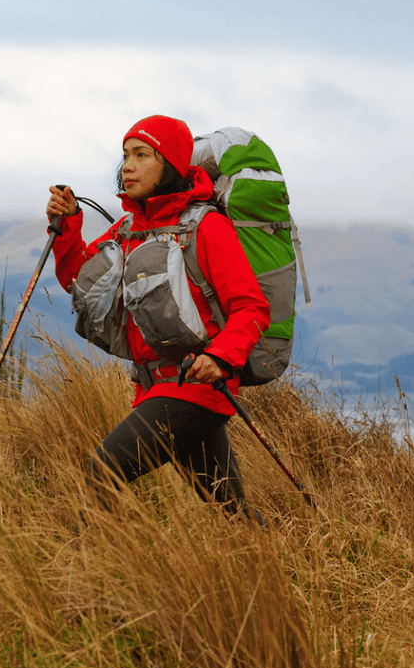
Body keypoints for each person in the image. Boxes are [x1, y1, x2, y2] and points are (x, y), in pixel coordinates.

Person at [46, 115, 270, 519]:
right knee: (233, 513)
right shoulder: (129, 228)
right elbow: (83, 281)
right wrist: (68, 229)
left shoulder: (207, 227)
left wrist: (220, 357)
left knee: (102, 471)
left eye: (142, 155)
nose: (127, 166)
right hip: (157, 389)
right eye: (126, 155)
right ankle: (277, 571)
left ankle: (85, 578)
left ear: (168, 163)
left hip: (195, 390)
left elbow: (251, 307)